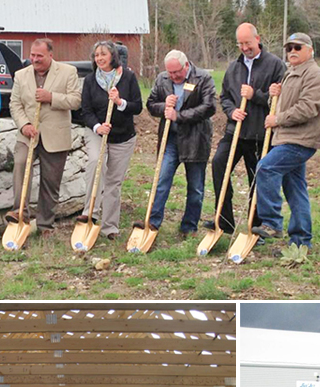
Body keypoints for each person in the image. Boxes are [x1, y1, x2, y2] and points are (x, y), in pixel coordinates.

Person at [251, 32, 320, 250]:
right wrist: (273, 95)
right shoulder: (291, 74)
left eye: (298, 47)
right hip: (286, 138)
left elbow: (307, 108)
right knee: (296, 191)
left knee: (265, 168)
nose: (292, 52)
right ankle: (301, 242)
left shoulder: (315, 75)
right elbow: (284, 104)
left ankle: (272, 222)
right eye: (289, 48)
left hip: (300, 140)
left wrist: (277, 119)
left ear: (310, 50)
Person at [206, 23, 286, 234]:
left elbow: (281, 101)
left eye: (247, 43)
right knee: (218, 165)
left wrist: (255, 96)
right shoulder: (234, 67)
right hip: (235, 132)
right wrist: (232, 111)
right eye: (240, 43)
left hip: (260, 133)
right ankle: (224, 221)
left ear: (257, 39)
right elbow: (224, 97)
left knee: (256, 179)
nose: (244, 47)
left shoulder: (275, 65)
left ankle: (256, 226)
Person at [6, 38, 81, 238]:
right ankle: (20, 213)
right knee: (20, 165)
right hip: (28, 135)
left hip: (55, 135)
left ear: (50, 55)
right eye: (32, 55)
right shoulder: (21, 75)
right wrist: (24, 125)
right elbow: (15, 104)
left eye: (40, 56)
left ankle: (45, 225)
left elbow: (75, 101)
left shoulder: (68, 72)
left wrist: (52, 98)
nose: (35, 59)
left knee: (51, 181)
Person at [143, 50, 215, 236]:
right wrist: (164, 105)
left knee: (196, 187)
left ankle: (189, 226)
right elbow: (151, 104)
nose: (174, 76)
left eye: (177, 72)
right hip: (170, 139)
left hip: (196, 139)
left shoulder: (203, 78)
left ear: (186, 66)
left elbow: (209, 107)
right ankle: (153, 222)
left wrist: (179, 116)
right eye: (170, 73)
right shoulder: (162, 80)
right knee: (162, 180)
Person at [77, 41, 142, 240]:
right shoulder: (90, 80)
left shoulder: (128, 77)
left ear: (113, 56)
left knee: (114, 181)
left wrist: (120, 102)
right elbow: (85, 111)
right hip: (98, 133)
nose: (99, 58)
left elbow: (138, 106)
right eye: (96, 55)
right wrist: (98, 127)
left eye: (103, 54)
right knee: (96, 163)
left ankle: (110, 227)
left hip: (123, 137)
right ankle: (90, 214)